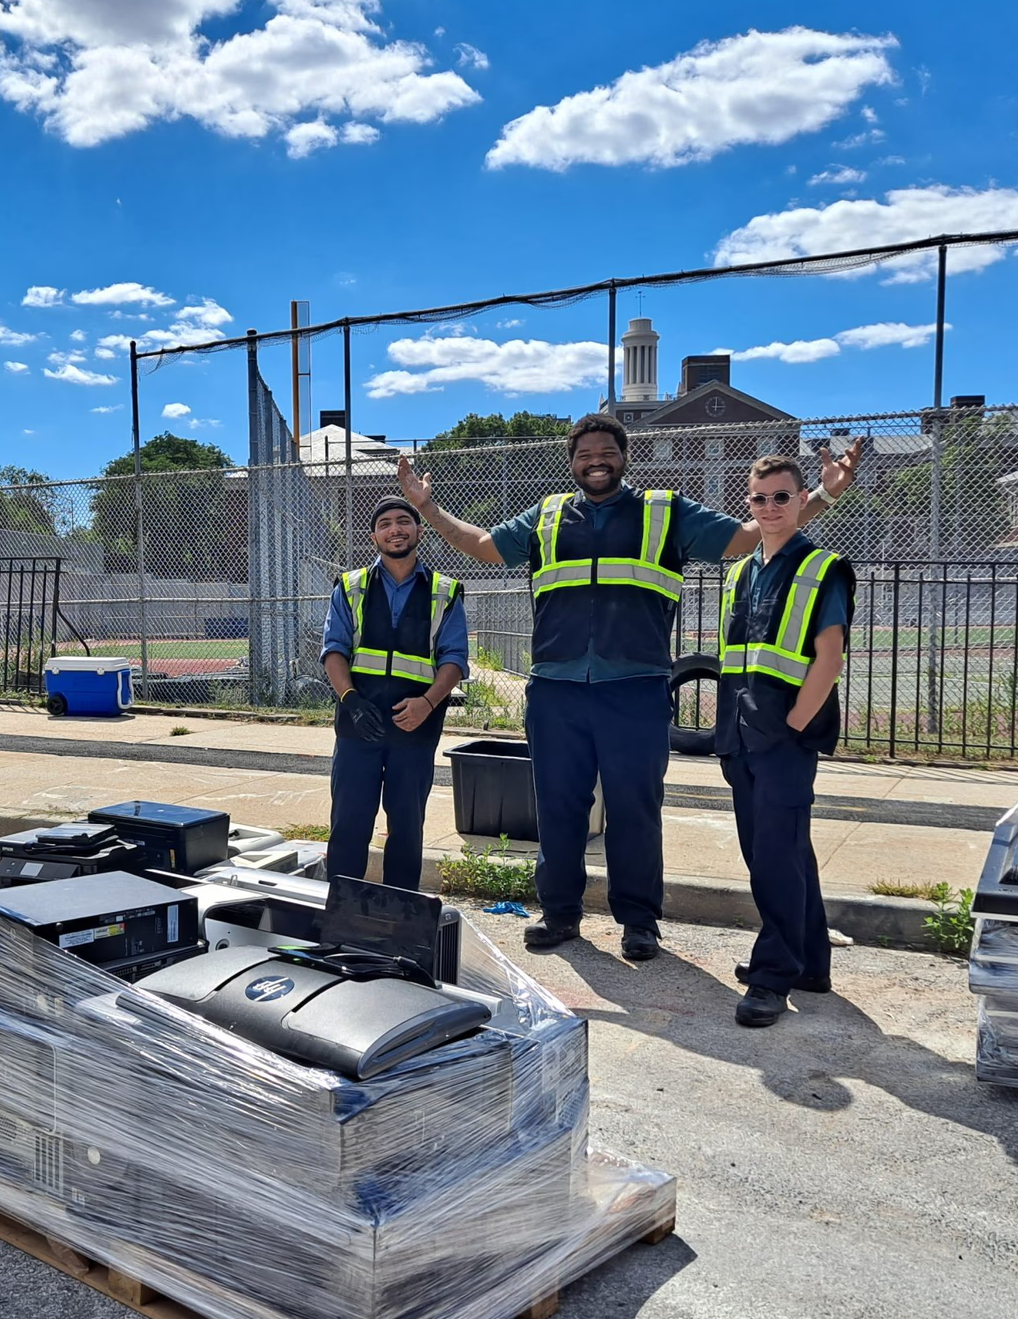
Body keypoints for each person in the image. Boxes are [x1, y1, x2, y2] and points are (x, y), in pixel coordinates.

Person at [401, 414, 861, 960]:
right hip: (557, 691)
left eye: (607, 451)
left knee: (634, 808)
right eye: (585, 453)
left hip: (636, 690)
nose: (596, 460)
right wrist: (426, 507)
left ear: (624, 457)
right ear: (571, 462)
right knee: (557, 807)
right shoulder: (547, 517)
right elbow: (480, 544)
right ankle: (561, 914)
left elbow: (748, 535)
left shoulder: (665, 512)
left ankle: (639, 922)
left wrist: (825, 498)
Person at [717, 456, 856, 1027]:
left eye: (781, 497)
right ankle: (810, 963)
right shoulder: (741, 571)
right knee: (785, 850)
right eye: (759, 499)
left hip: (783, 737)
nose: (770, 508)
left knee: (774, 856)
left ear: (803, 499)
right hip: (742, 733)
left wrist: (795, 724)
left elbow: (830, 656)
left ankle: (773, 975)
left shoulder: (823, 568)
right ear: (748, 504)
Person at [320, 494, 468, 892]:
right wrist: (350, 701)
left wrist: (427, 703)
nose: (395, 529)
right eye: (385, 524)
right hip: (358, 728)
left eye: (403, 521)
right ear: (374, 536)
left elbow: (454, 658)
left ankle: (399, 913)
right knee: (349, 823)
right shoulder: (351, 588)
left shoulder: (444, 591)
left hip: (413, 731)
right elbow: (334, 650)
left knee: (406, 827)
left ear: (418, 530)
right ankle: (342, 909)